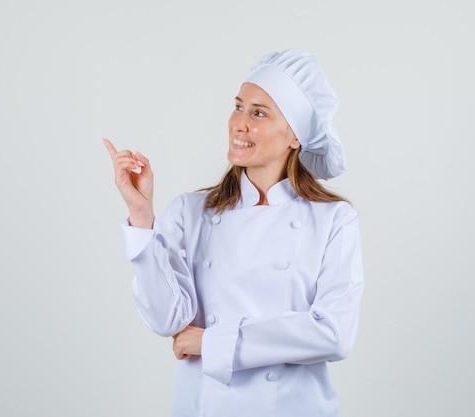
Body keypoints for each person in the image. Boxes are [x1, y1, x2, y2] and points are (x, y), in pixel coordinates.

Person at [103, 48, 364, 417]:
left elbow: (334, 334)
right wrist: (141, 216)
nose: (239, 123)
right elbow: (167, 320)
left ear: (295, 136)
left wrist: (214, 343)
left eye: (258, 113)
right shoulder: (191, 212)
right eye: (238, 106)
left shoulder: (334, 220)